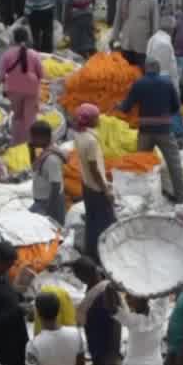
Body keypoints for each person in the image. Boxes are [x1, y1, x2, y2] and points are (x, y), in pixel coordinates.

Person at [120, 56, 183, 201]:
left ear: (145, 69)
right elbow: (176, 106)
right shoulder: (167, 83)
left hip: (145, 131)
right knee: (174, 164)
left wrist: (119, 105)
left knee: (141, 165)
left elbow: (126, 108)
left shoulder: (139, 84)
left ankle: (141, 198)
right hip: (164, 130)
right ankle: (182, 198)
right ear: (158, 68)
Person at [70, 104, 115, 257]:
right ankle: (103, 253)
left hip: (86, 184)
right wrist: (105, 189)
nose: (99, 119)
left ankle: (90, 251)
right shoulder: (91, 141)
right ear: (89, 120)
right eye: (96, 117)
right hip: (96, 187)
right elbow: (94, 167)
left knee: (92, 219)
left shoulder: (78, 135)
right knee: (106, 222)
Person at [1, 26, 45, 146]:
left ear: (14, 39)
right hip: (31, 87)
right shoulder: (34, 54)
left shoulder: (7, 54)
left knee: (17, 116)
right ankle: (31, 142)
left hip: (13, 87)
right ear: (27, 38)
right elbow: (41, 73)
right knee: (30, 117)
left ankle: (17, 142)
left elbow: (1, 75)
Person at [111, 0, 160, 69]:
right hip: (126, 44)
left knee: (140, 73)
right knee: (125, 72)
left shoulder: (151, 0)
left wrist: (154, 46)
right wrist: (114, 37)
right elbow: (118, 18)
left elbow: (155, 25)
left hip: (142, 47)